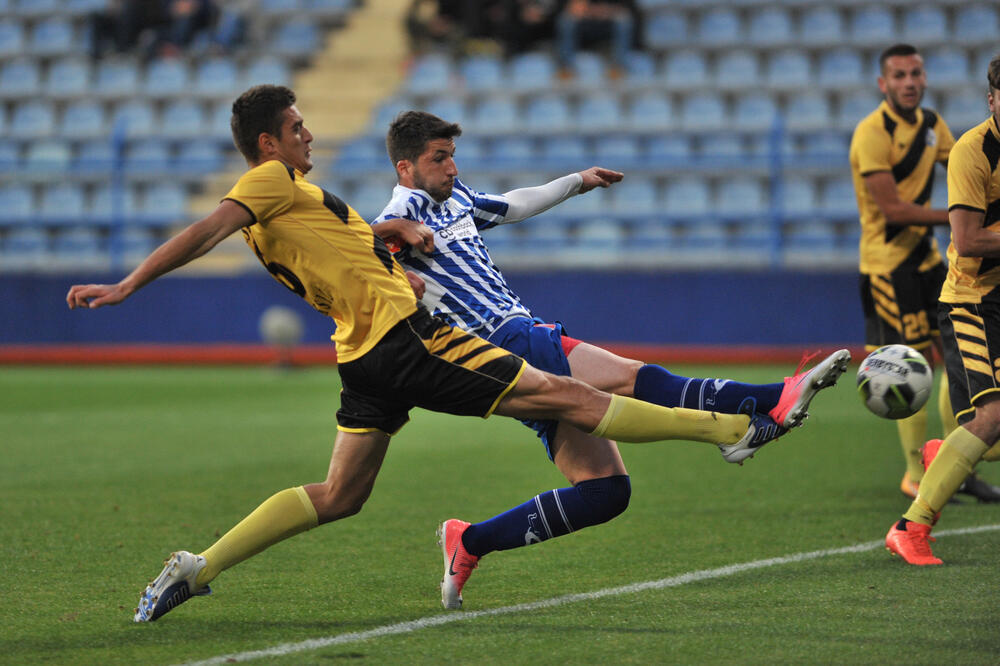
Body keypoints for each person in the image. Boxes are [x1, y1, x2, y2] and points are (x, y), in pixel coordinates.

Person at [66, 85, 807, 622]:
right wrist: (131, 283)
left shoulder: (299, 202)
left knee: (340, 496)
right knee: (569, 397)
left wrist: (397, 240)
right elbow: (210, 227)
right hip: (406, 339)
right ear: (268, 143)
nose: (308, 137)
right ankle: (730, 429)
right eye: (297, 129)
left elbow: (348, 245)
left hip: (362, 358)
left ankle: (199, 566)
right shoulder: (267, 183)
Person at [372, 110, 850, 608]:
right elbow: (348, 246)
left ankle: (470, 541)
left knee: (605, 493)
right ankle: (771, 401)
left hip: (510, 360)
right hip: (503, 338)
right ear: (405, 167)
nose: (452, 168)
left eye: (452, 156)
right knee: (633, 377)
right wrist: (392, 227)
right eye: (439, 158)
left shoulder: (457, 198)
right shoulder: (404, 212)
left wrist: (576, 181)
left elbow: (513, 204)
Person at [848, 43, 1000, 503]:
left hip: (932, 262)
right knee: (909, 365)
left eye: (915, 74)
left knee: (955, 363)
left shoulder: (934, 126)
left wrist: (970, 211)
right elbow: (893, 209)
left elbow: (971, 165)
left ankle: (956, 460)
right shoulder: (871, 133)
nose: (909, 83)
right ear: (883, 84)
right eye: (898, 76)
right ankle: (915, 474)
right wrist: (964, 218)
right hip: (886, 266)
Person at [885, 53, 1000, 565]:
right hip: (974, 302)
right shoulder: (974, 151)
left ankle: (946, 452)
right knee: (993, 416)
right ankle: (910, 527)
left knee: (985, 431)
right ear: (992, 99)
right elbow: (969, 239)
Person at [554, 0, 639, 79]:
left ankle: (619, 67)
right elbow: (563, 7)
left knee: (624, 19)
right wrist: (581, 9)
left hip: (607, 20)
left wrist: (607, 10)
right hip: (583, 21)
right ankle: (566, 67)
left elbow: (629, 7)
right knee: (566, 20)